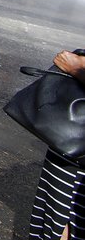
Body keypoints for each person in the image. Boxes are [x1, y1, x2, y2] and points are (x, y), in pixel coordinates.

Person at [26, 50, 85, 240]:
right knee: (54, 216)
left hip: (76, 150)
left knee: (64, 218)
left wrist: (77, 69)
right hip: (71, 137)